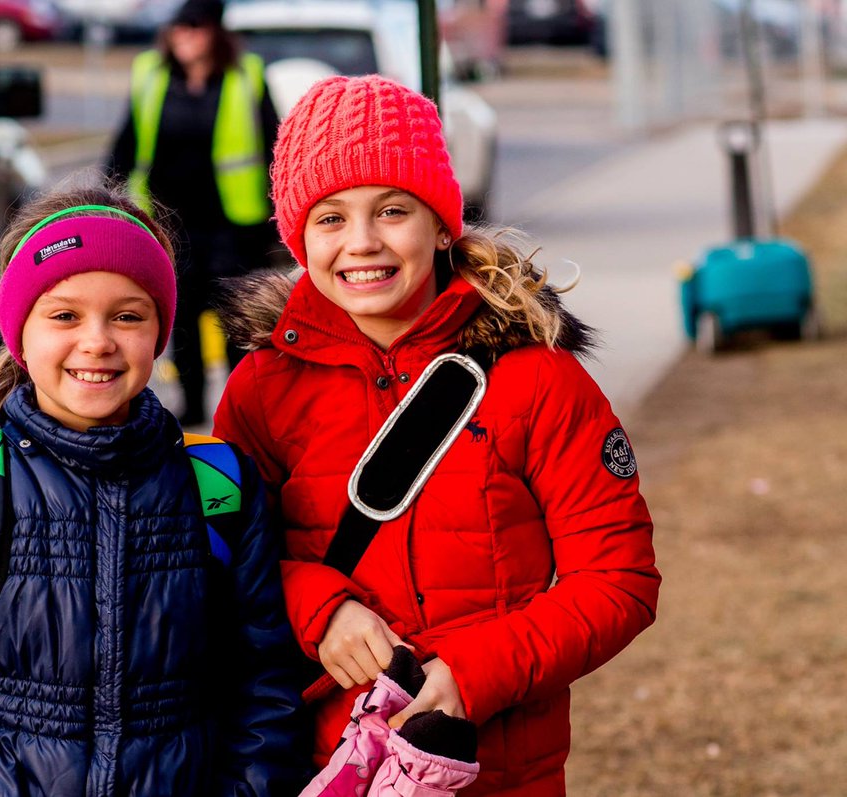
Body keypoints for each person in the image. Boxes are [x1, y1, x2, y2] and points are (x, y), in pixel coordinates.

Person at [212, 74, 661, 795]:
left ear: (443, 222)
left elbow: (618, 578)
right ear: (297, 235)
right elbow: (228, 558)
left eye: (392, 210)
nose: (361, 243)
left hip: (499, 769)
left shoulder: (539, 381)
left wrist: (473, 672)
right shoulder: (262, 390)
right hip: (323, 766)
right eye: (329, 218)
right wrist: (320, 608)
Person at [0, 181, 309, 796]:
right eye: (64, 315)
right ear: (20, 336)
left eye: (128, 315)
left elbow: (266, 684)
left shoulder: (218, 489)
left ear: (159, 332)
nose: (98, 340)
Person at [107, 0, 281, 427]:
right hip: (170, 220)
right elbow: (128, 139)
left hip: (234, 223)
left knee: (235, 318)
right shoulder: (150, 72)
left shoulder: (246, 74)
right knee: (181, 320)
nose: (185, 35)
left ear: (215, 33)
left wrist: (279, 216)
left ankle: (243, 408)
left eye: (195, 27)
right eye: (178, 27)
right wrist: (109, 198)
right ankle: (193, 408)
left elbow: (275, 145)